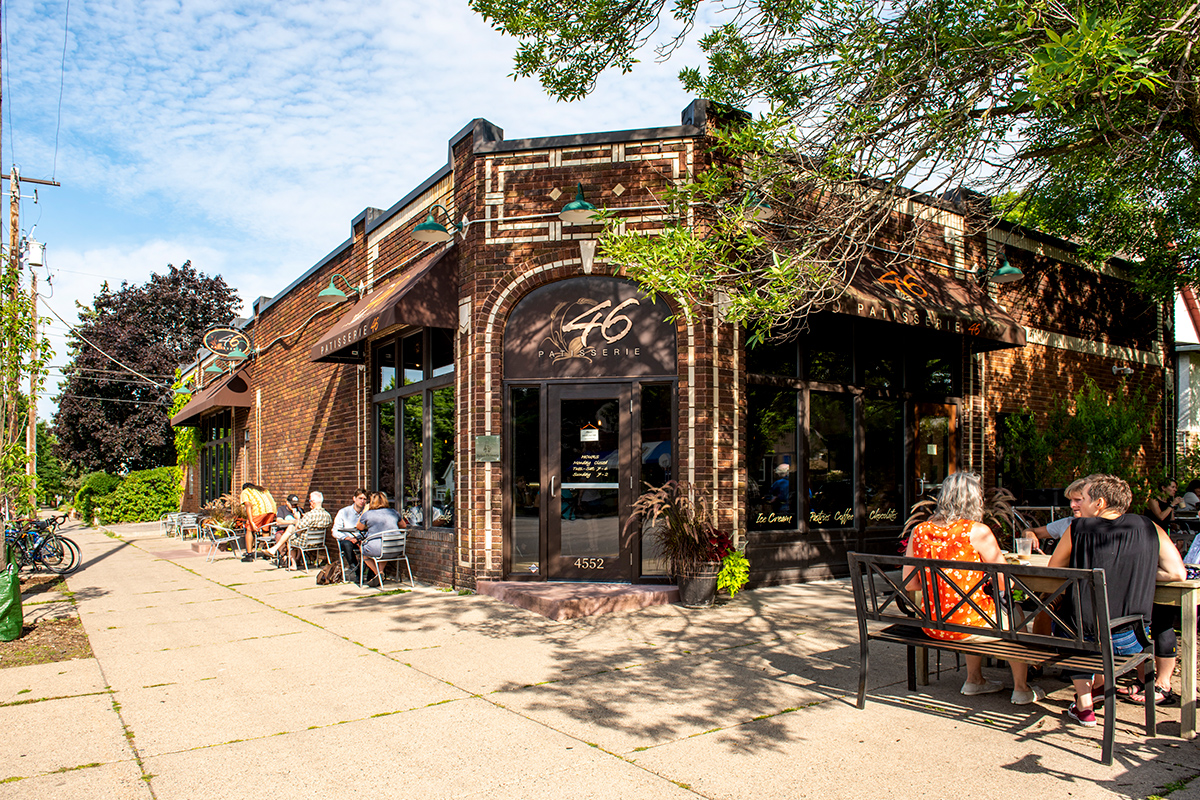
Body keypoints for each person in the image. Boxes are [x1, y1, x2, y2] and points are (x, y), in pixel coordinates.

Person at [1048, 474, 1186, 726]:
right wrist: (1135, 569)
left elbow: (1054, 572)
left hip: (1085, 638)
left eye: (1084, 499)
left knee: (1067, 621)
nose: (1076, 506)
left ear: (1099, 503)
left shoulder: (1077, 529)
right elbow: (1177, 573)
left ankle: (1085, 703)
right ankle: (1097, 693)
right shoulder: (1149, 526)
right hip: (1131, 641)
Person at [903, 471, 1043, 705]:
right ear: (974, 500)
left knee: (972, 606)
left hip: (934, 624)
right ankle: (1021, 688)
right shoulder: (977, 531)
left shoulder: (920, 530)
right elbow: (1004, 582)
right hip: (969, 625)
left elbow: (911, 583)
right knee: (1014, 614)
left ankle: (974, 679)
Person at [354, 491, 405, 585]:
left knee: (363, 549)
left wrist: (365, 510)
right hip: (396, 548)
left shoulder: (368, 514)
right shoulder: (393, 512)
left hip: (378, 548)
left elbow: (359, 527)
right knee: (384, 547)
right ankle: (380, 574)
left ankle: (378, 573)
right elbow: (403, 526)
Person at [267, 491, 332, 565]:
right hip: (319, 542)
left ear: (313, 502)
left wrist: (297, 519)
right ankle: (279, 552)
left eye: (310, 501)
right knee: (290, 530)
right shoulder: (327, 515)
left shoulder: (310, 515)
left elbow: (298, 529)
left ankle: (293, 564)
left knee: (290, 537)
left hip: (305, 542)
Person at [1022, 478, 1086, 551]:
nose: (1072, 505)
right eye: (1070, 500)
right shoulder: (1066, 523)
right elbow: (1027, 531)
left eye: (1078, 500)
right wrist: (1030, 534)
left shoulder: (1100, 527)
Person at [332, 488, 368, 577]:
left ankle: (370, 572)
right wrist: (346, 537)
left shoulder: (367, 513)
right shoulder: (344, 512)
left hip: (362, 539)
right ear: (354, 498)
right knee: (346, 544)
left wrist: (358, 539)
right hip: (347, 539)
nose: (362, 501)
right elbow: (335, 530)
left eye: (364, 499)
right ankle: (355, 568)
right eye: (360, 498)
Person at [239, 482, 277, 562]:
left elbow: (248, 505)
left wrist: (251, 521)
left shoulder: (246, 491)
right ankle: (267, 552)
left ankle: (249, 555)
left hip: (258, 511)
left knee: (249, 529)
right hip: (271, 511)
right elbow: (272, 501)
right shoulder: (262, 490)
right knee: (265, 529)